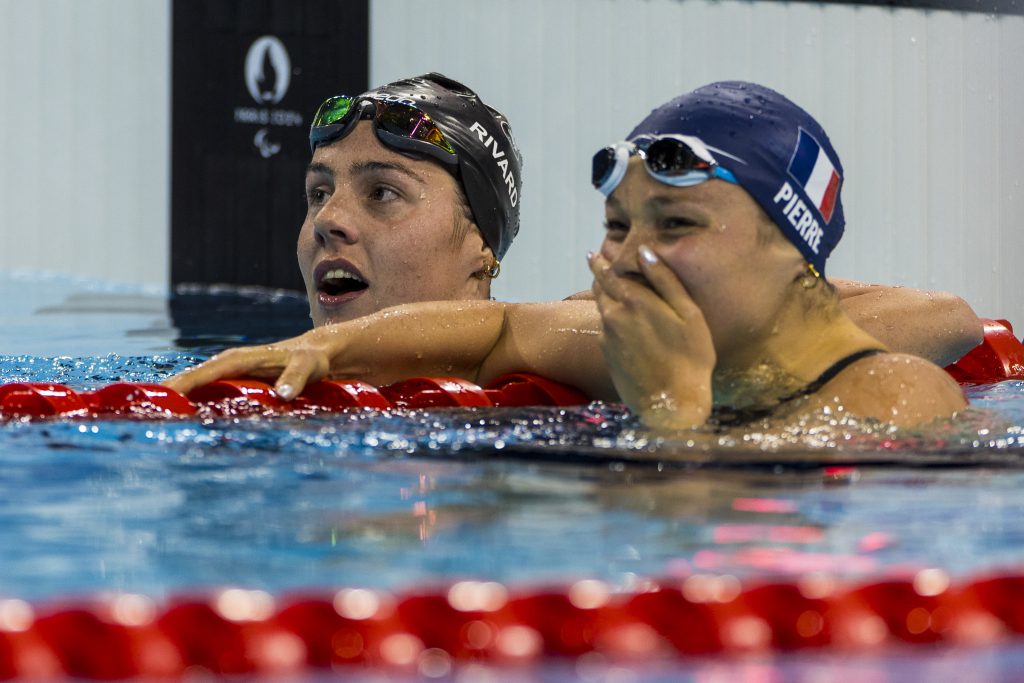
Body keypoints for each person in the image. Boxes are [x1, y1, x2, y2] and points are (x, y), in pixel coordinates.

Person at [165, 81, 976, 429]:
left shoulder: (896, 401)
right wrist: (319, 345)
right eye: (618, 227)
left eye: (677, 225)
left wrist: (676, 414)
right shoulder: (606, 341)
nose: (627, 258)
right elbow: (506, 331)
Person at [295, 72, 976, 356]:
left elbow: (946, 317)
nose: (331, 219)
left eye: (383, 192)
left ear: (482, 245)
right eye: (318, 191)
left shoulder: (572, 343)